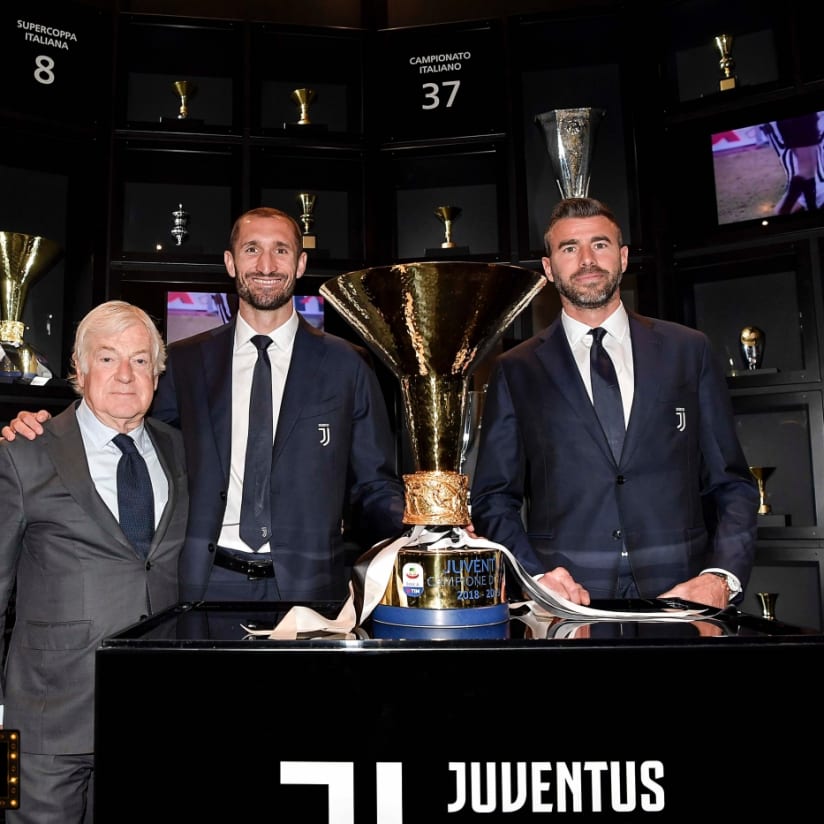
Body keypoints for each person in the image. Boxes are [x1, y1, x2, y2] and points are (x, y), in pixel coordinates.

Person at [2, 207, 405, 604]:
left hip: (312, 589)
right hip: (203, 585)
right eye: (251, 249)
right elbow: (125, 425)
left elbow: (375, 485)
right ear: (230, 262)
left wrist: (420, 531)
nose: (266, 265)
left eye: (281, 250)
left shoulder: (347, 365)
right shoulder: (184, 363)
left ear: (300, 264)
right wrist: (49, 431)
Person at [470, 197, 759, 610]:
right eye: (570, 248)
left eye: (600, 244)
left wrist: (721, 578)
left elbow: (731, 483)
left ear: (623, 258)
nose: (587, 259)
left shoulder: (688, 351)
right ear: (549, 268)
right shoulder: (516, 369)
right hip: (567, 599)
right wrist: (533, 577)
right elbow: (494, 497)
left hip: (681, 595)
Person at [0, 300, 188, 823]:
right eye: (107, 358)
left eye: (140, 360)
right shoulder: (23, 451)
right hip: (43, 723)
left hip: (152, 723)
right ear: (79, 372)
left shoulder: (182, 451)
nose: (125, 375)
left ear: (157, 374)